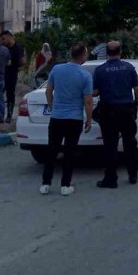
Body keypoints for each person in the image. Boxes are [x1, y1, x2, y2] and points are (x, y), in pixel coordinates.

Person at [40, 43, 94, 196]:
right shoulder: (85, 75)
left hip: (57, 117)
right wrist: (89, 119)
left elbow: (49, 90)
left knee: (52, 151)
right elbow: (88, 100)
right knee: (69, 153)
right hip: (74, 119)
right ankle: (65, 185)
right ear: (82, 55)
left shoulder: (57, 69)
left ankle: (45, 184)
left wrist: (52, 106)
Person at [93, 41, 138, 188]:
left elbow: (94, 92)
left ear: (107, 53)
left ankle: (111, 179)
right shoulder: (129, 67)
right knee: (129, 143)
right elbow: (137, 90)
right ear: (120, 52)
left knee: (110, 145)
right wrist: (135, 105)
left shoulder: (100, 70)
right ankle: (133, 174)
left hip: (108, 111)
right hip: (126, 109)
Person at [1, 30, 26, 122]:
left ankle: (9, 115)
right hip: (2, 74)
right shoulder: (3, 48)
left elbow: (23, 61)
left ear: (9, 37)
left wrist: (15, 67)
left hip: (11, 74)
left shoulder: (17, 48)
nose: (2, 41)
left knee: (10, 95)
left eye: (4, 39)